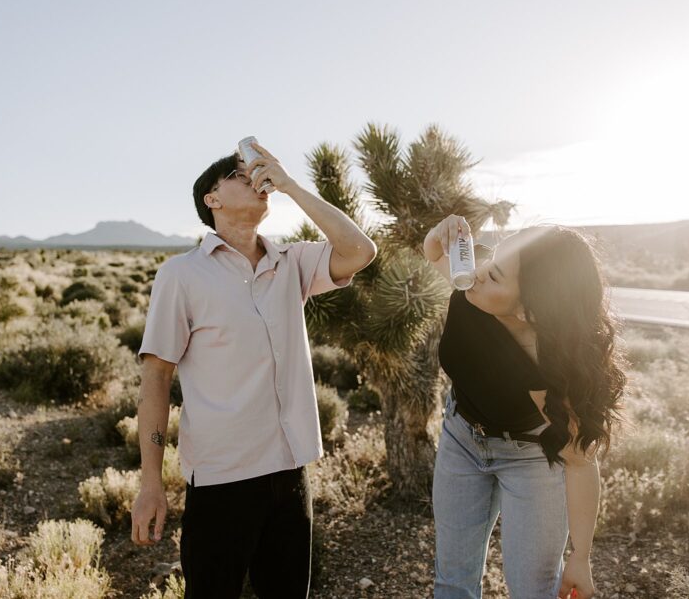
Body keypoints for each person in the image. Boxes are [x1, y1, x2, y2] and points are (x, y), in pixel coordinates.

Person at [130, 141, 376, 598]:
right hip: (222, 480)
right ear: (212, 199)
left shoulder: (293, 263)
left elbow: (360, 250)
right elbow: (156, 377)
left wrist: (291, 184)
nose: (256, 180)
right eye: (240, 176)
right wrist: (150, 484)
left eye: (259, 175)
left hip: (289, 474)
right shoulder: (181, 275)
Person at [423, 215, 626, 599]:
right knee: (452, 582)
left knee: (532, 591)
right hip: (461, 438)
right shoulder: (474, 291)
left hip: (530, 455)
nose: (478, 271)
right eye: (490, 259)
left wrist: (580, 557)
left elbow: (580, 462)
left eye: (495, 273)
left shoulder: (551, 369)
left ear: (530, 311)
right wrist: (442, 232)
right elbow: (434, 251)